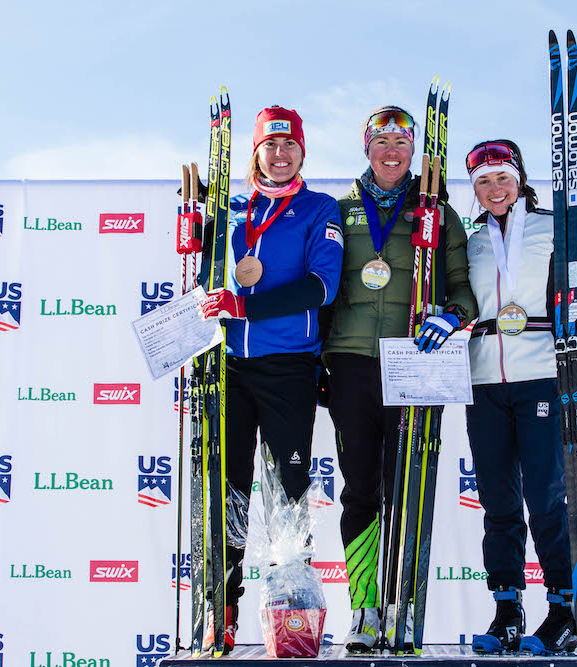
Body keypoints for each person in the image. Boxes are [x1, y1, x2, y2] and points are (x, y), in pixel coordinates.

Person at [320, 105, 478, 651]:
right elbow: (321, 291)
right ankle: (364, 608)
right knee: (361, 489)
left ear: (414, 151)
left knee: (407, 490)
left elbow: (464, 292)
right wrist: (318, 362)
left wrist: (449, 317)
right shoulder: (339, 210)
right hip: (352, 363)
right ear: (367, 148)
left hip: (415, 362)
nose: (392, 151)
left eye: (402, 142)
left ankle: (400, 605)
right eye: (381, 140)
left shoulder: (439, 213)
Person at [198, 105, 344, 654]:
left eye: (290, 147)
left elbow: (321, 287)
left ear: (302, 152)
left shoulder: (318, 208)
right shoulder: (232, 211)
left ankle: (293, 613)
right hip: (230, 368)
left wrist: (246, 305)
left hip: (289, 367)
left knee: (289, 490)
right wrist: (198, 238)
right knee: (226, 488)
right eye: (270, 146)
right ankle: (223, 608)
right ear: (255, 153)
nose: (280, 156)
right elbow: (208, 279)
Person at [462, 139, 577, 655]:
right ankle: (507, 611)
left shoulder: (550, 227)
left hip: (542, 370)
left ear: (519, 181)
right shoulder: (472, 241)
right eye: (483, 182)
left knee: (544, 496)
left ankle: (564, 611)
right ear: (474, 190)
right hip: (483, 379)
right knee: (497, 501)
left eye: (502, 178)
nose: (494, 189)